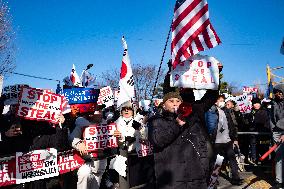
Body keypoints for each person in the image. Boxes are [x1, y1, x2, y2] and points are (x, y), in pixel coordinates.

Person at [148, 91, 208, 189]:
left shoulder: (192, 122)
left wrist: (204, 167)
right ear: (164, 106)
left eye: (178, 101)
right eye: (171, 101)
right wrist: (177, 124)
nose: (175, 103)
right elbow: (157, 141)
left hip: (196, 177)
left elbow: (201, 145)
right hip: (172, 179)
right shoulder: (156, 121)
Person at [69, 109, 110, 189]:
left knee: (95, 186)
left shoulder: (105, 124)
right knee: (85, 174)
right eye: (97, 111)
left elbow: (113, 143)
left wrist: (116, 136)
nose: (100, 113)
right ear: (90, 114)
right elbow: (71, 138)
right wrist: (79, 144)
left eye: (101, 111)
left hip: (100, 161)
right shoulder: (82, 124)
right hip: (85, 161)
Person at [211, 95, 243, 186]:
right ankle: (213, 179)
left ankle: (236, 178)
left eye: (223, 100)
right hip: (217, 140)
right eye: (220, 100)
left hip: (227, 140)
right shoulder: (212, 111)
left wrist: (235, 138)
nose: (222, 102)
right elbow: (211, 126)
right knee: (217, 161)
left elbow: (231, 125)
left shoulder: (226, 111)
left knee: (232, 159)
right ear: (215, 102)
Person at [270, 88, 284, 189]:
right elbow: (271, 118)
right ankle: (279, 181)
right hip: (276, 132)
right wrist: (273, 130)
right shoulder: (273, 103)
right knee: (278, 156)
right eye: (276, 92)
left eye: (280, 91)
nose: (278, 94)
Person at [249, 98, 270, 164]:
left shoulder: (264, 111)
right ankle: (255, 161)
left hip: (263, 134)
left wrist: (254, 116)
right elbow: (249, 123)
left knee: (264, 149)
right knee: (255, 149)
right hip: (254, 134)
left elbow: (260, 121)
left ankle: (265, 164)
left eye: (257, 103)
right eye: (254, 103)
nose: (256, 105)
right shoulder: (251, 112)